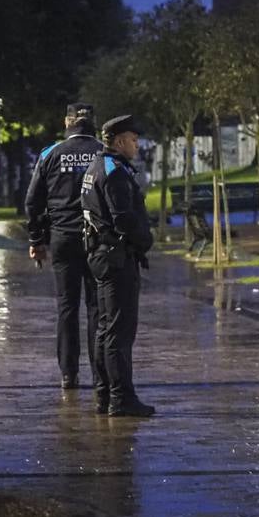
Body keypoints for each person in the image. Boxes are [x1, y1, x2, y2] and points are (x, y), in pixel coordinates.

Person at [25, 102, 103, 390]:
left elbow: (33, 202)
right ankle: (100, 374)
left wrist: (37, 240)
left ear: (66, 122)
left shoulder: (50, 154)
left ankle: (69, 374)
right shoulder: (103, 153)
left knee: (67, 307)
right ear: (93, 122)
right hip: (96, 240)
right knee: (97, 307)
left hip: (62, 238)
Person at [81, 115, 155, 417]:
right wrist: (144, 240)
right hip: (116, 257)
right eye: (133, 140)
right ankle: (121, 397)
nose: (136, 145)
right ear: (120, 140)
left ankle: (104, 394)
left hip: (101, 255)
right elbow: (123, 218)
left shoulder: (97, 166)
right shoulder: (114, 172)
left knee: (104, 329)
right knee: (118, 332)